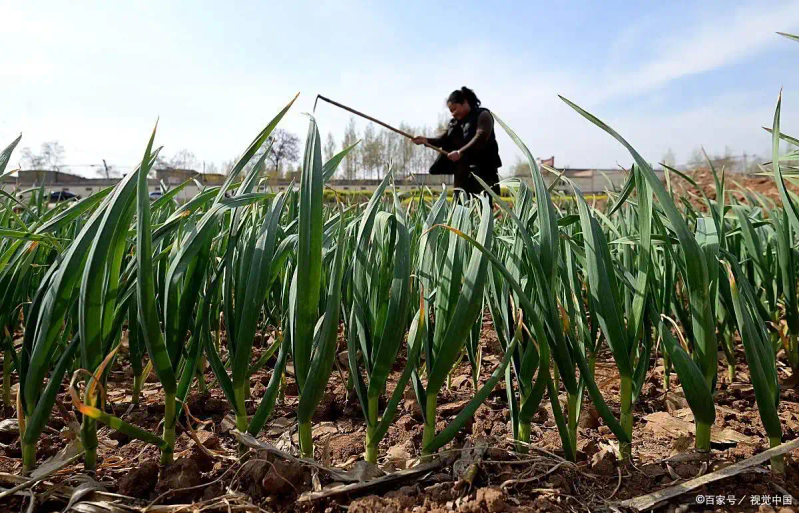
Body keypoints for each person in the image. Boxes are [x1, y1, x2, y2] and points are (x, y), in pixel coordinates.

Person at [413, 87, 502, 204]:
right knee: (460, 207)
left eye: (455, 109)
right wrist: (426, 140)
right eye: (451, 111)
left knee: (483, 207)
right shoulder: (454, 123)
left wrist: (461, 152)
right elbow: (443, 139)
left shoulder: (483, 115)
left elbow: (481, 136)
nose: (453, 114)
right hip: (462, 172)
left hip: (484, 171)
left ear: (465, 102)